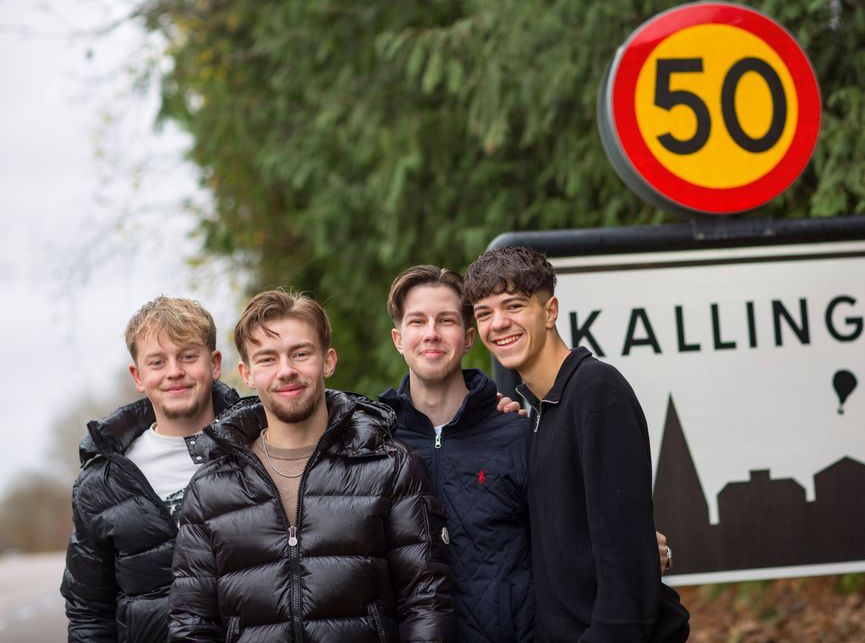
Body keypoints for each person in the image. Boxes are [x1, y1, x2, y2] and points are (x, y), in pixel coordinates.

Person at [169, 289, 454, 642]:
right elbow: (193, 625)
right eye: (268, 359)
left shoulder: (388, 464)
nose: (286, 371)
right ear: (247, 373)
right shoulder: (210, 487)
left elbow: (426, 602)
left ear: (328, 360)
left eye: (300, 353)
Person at [465, 246, 690, 642]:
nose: (498, 323)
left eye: (513, 306)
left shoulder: (597, 393)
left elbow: (626, 589)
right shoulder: (540, 411)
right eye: (484, 313)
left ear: (549, 311)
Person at [61, 296, 240, 642]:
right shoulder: (102, 483)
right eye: (157, 362)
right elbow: (89, 614)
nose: (174, 371)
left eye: (188, 356)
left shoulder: (257, 447)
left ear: (214, 363)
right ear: (138, 376)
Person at [379, 265, 533, 642]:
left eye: (445, 320)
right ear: (399, 339)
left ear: (467, 338)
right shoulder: (375, 445)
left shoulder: (517, 435)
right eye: (418, 321)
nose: (431, 333)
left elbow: (567, 545)